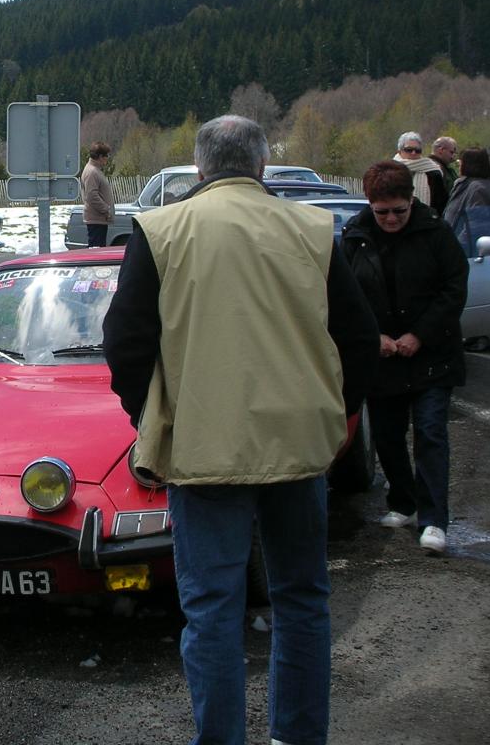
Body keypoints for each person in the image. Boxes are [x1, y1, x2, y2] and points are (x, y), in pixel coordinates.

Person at [103, 115, 378, 745]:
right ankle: (298, 735)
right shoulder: (314, 229)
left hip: (202, 450)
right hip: (299, 448)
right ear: (262, 166)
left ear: (200, 169)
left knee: (212, 612)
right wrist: (338, 417)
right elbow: (359, 338)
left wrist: (149, 419)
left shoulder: (161, 229)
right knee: (302, 600)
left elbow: (125, 342)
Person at [341, 161, 468, 556]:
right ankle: (403, 501)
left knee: (431, 434)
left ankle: (434, 519)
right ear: (370, 205)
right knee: (388, 436)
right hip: (382, 356)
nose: (391, 219)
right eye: (383, 212)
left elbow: (454, 288)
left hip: (432, 353)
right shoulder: (354, 238)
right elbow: (347, 298)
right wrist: (372, 336)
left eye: (399, 210)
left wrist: (420, 334)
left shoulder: (436, 233)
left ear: (412, 201)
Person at [444, 148, 490, 352]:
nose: (459, 164)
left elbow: (476, 223)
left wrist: (456, 245)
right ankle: (475, 335)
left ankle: (484, 335)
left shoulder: (478, 188)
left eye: (462, 161)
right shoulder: (467, 184)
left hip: (469, 250)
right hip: (457, 244)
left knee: (476, 293)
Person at [392, 131, 447, 214]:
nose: (413, 153)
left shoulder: (433, 172)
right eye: (409, 150)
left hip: (425, 221)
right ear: (399, 151)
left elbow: (440, 203)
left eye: (417, 150)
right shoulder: (390, 170)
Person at [80, 141, 114, 247]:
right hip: (96, 219)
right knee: (96, 250)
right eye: (106, 156)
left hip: (99, 219)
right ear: (100, 156)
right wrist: (106, 209)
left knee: (99, 249)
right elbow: (91, 196)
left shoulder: (95, 170)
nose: (107, 159)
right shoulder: (91, 172)